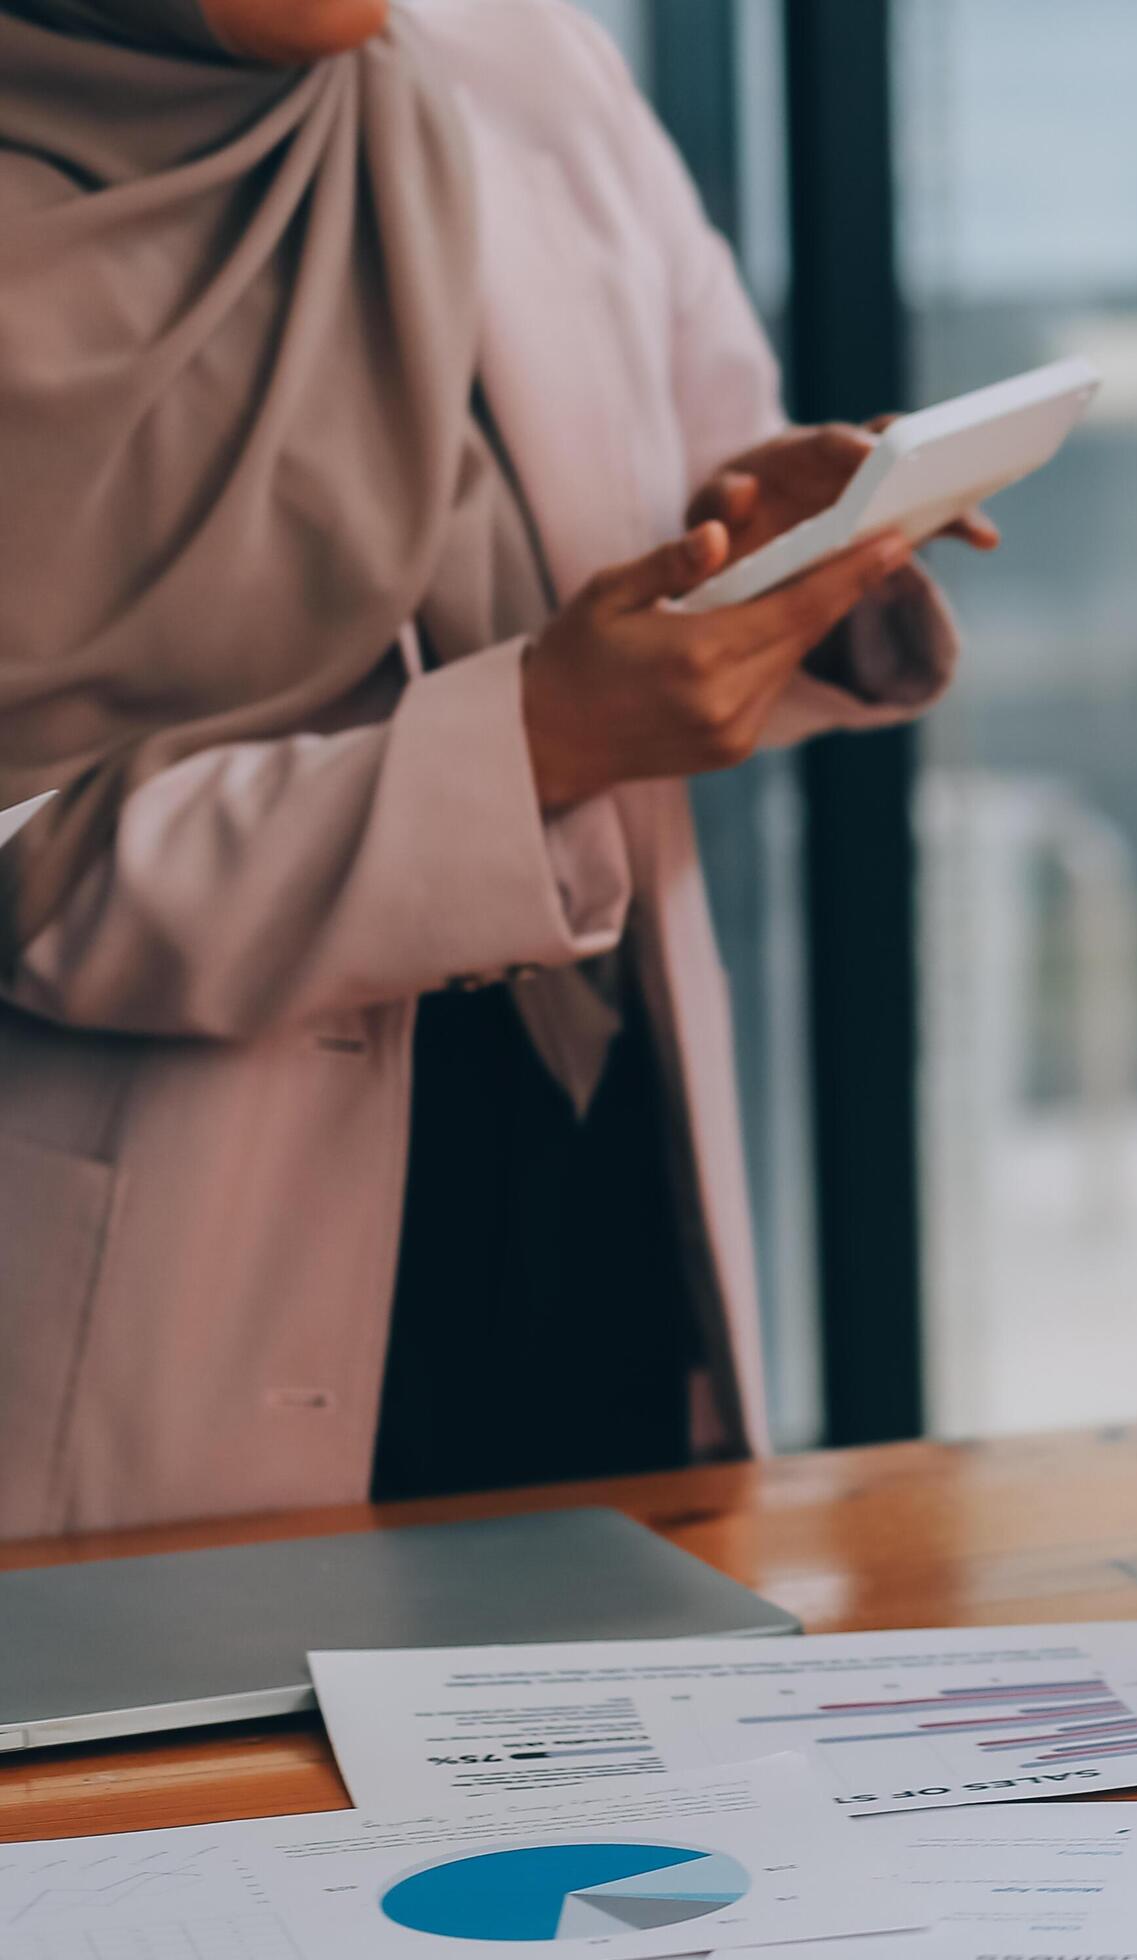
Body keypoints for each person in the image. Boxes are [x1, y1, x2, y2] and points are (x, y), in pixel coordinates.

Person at [0, 0, 978, 1535]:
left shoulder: (524, 64)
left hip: (598, 1182)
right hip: (164, 1299)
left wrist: (769, 541)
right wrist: (529, 743)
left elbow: (680, 488)